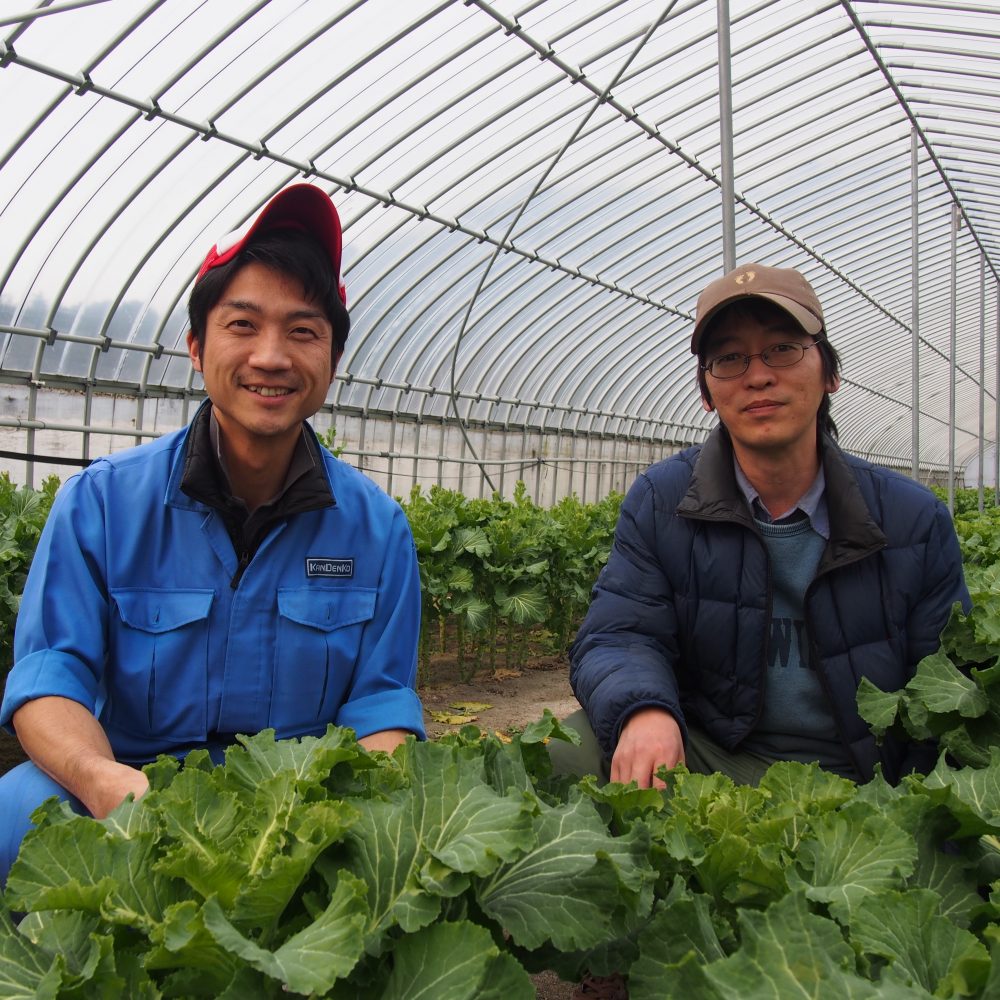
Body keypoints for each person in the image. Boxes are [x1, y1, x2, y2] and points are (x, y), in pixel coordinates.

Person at [0, 184, 425, 881]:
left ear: (332, 363)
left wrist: (328, 817)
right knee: (21, 808)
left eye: (303, 330)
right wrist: (101, 777)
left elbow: (381, 708)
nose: (271, 356)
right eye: (243, 325)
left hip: (300, 810)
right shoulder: (101, 505)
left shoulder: (377, 530)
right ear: (197, 348)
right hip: (133, 793)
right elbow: (51, 681)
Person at [559, 261, 970, 793]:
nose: (758, 375)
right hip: (716, 759)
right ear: (708, 393)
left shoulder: (913, 518)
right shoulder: (662, 499)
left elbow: (946, 686)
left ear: (830, 373)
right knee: (565, 751)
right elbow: (619, 633)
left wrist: (912, 806)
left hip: (861, 777)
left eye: (782, 348)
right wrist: (645, 711)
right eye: (729, 358)